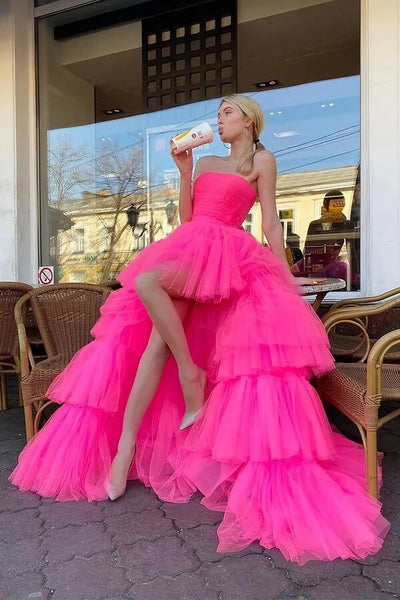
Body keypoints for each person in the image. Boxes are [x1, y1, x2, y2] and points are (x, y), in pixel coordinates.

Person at [10, 95, 389, 565]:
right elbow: (189, 218)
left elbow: (270, 220)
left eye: (228, 112)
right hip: (191, 245)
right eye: (219, 113)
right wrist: (184, 172)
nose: (219, 119)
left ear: (249, 120)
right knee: (153, 340)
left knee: (160, 336)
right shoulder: (206, 158)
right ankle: (139, 433)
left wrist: (286, 271)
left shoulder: (263, 160)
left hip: (229, 256)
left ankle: (173, 399)